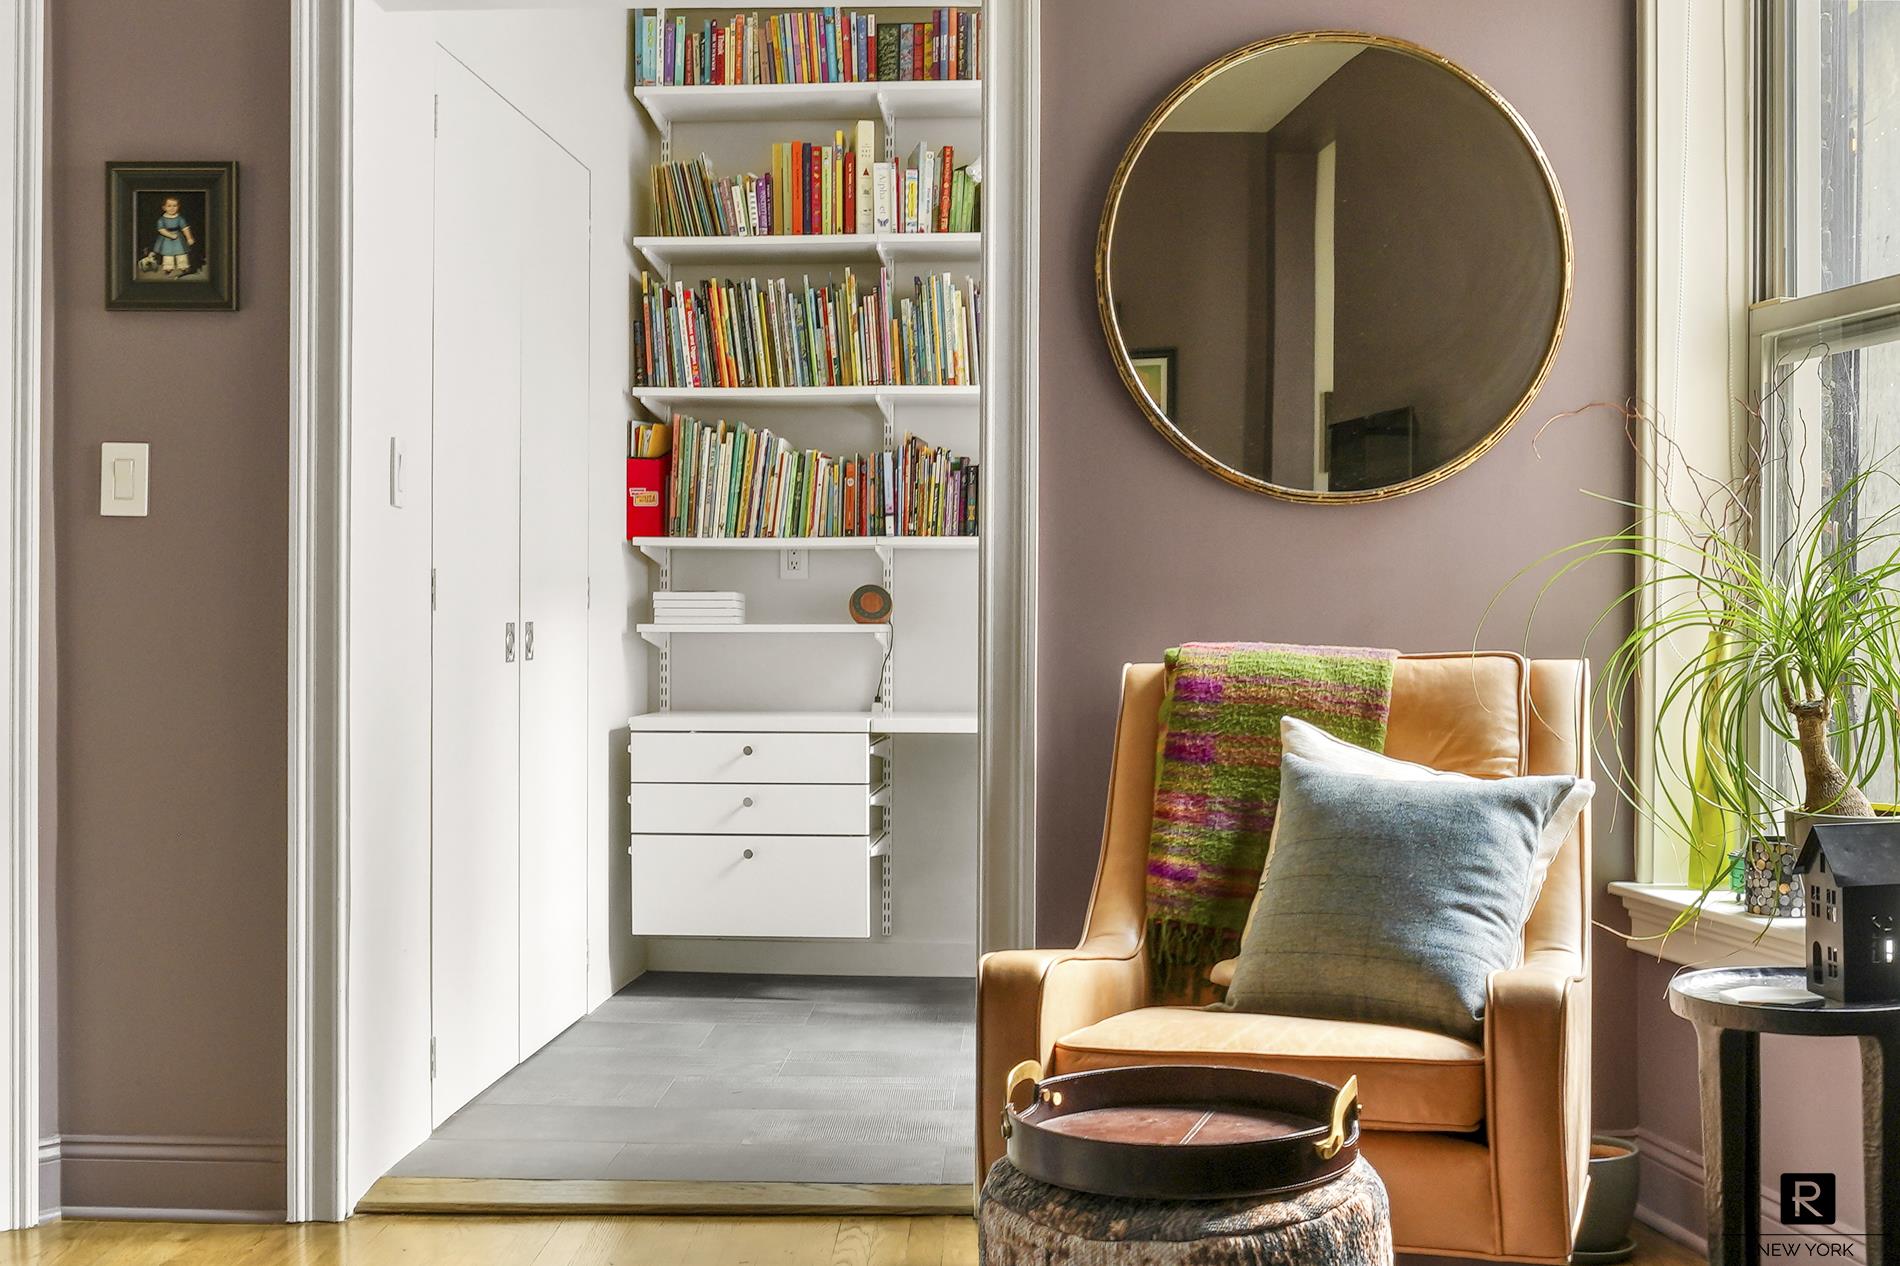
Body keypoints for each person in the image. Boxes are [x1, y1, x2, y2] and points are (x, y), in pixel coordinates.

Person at [152, 197, 195, 277]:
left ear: (178, 207)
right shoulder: (161, 219)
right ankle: (168, 268)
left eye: (174, 206)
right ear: (164, 208)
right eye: (169, 206)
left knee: (181, 253)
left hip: (179, 239)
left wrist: (189, 238)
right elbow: (161, 230)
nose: (172, 208)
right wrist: (170, 235)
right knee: (167, 254)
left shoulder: (180, 218)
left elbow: (185, 228)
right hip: (166, 240)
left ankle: (183, 267)